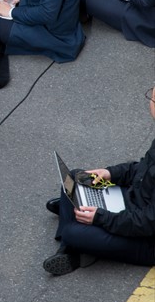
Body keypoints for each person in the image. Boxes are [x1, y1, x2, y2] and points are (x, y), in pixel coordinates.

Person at [43, 84, 155, 275]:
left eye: (152, 98)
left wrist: (101, 218)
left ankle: (71, 248)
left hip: (147, 239)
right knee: (76, 177)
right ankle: (75, 213)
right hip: (135, 201)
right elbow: (142, 168)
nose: (149, 101)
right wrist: (109, 173)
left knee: (72, 232)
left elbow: (147, 223)